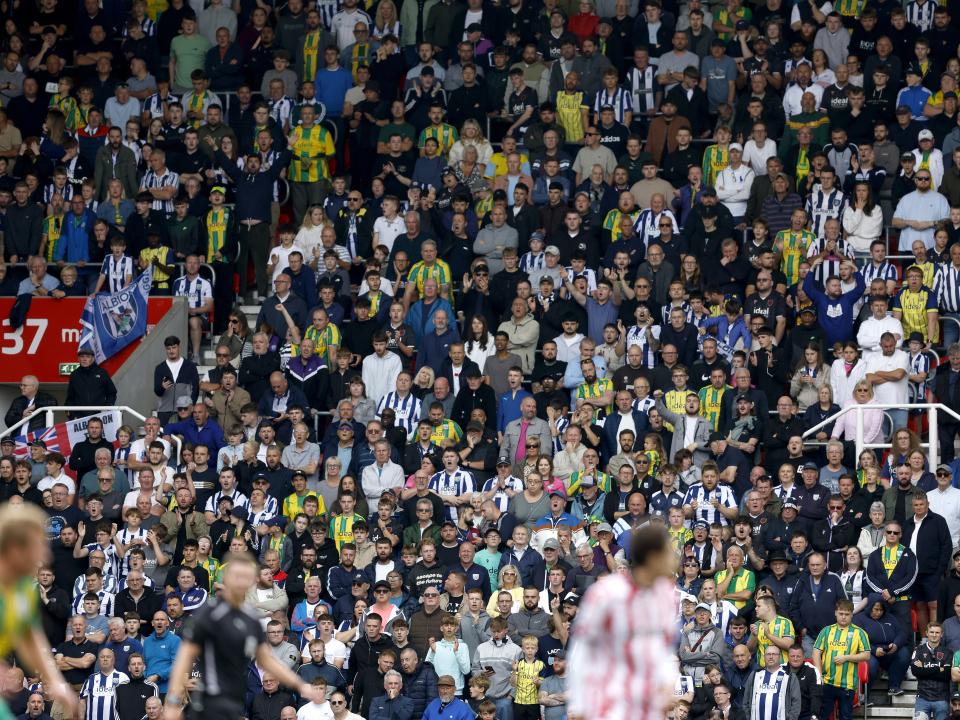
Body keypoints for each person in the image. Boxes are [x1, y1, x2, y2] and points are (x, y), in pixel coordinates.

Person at [162, 554, 323, 720]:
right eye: (237, 576)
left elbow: (267, 661)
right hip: (208, 702)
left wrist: (301, 685)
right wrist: (173, 700)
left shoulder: (251, 618)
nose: (241, 582)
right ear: (227, 577)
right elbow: (185, 657)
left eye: (246, 577)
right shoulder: (208, 613)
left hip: (235, 702)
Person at [569, 525, 679, 719]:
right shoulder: (606, 593)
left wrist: (668, 683)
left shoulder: (665, 596)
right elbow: (583, 650)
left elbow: (663, 649)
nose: (674, 559)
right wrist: (580, 705)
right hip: (608, 704)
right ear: (653, 557)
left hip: (647, 707)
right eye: (668, 552)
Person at [0, 505, 79, 720]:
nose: (46, 555)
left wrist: (56, 682)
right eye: (39, 546)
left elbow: (29, 636)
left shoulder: (25, 587)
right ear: (15, 549)